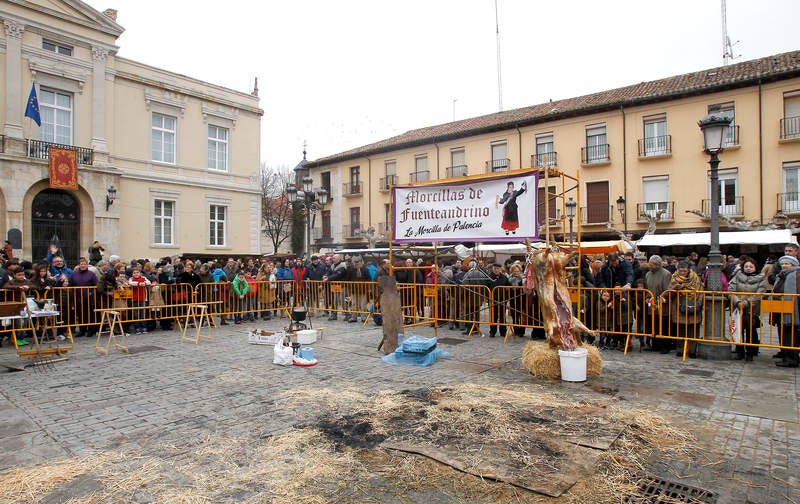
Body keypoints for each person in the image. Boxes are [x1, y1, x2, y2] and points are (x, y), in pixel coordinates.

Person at [729, 256, 767, 362]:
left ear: (755, 267)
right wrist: (737, 301)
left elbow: (760, 293)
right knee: (738, 329)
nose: (748, 268)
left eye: (751, 266)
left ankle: (750, 352)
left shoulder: (761, 278)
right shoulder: (737, 276)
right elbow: (731, 289)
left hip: (752, 308)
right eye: (746, 266)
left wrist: (746, 303)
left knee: (750, 330)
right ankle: (739, 351)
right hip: (738, 307)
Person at [666, 260, 703, 358]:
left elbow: (700, 291)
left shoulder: (695, 278)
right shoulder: (674, 278)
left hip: (693, 305)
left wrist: (698, 303)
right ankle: (680, 349)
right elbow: (668, 293)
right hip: (679, 306)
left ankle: (692, 350)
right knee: (680, 329)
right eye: (680, 271)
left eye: (684, 271)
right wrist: (675, 289)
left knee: (693, 330)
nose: (682, 273)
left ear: (689, 270)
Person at [772, 255, 800, 368]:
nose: (784, 266)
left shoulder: (796, 275)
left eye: (787, 264)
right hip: (781, 307)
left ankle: (791, 358)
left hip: (793, 308)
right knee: (785, 333)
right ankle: (786, 354)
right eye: (783, 264)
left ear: (793, 265)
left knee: (791, 334)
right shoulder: (782, 275)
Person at [643, 255, 673, 353]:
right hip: (652, 305)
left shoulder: (666, 274)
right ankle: (655, 345)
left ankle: (665, 346)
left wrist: (662, 299)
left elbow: (667, 290)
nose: (649, 266)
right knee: (653, 325)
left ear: (657, 265)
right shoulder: (648, 274)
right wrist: (648, 298)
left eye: (651, 264)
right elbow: (647, 289)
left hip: (663, 305)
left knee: (664, 325)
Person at [69, 257, 99, 337]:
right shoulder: (74, 274)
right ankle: (82, 330)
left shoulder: (91, 274)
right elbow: (70, 285)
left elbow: (96, 285)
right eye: (81, 264)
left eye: (84, 264)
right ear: (79, 265)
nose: (83, 265)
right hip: (78, 298)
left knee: (90, 315)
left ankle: (90, 330)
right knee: (80, 315)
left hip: (89, 298)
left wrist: (92, 293)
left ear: (87, 265)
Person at [128, 267, 151, 334]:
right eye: (134, 273)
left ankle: (144, 327)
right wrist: (139, 283)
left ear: (140, 273)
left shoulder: (144, 278)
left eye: (137, 272)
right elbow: (131, 283)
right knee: (136, 314)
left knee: (143, 314)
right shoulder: (131, 279)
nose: (136, 274)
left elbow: (148, 282)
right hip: (134, 299)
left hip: (143, 298)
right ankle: (137, 327)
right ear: (132, 274)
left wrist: (144, 283)